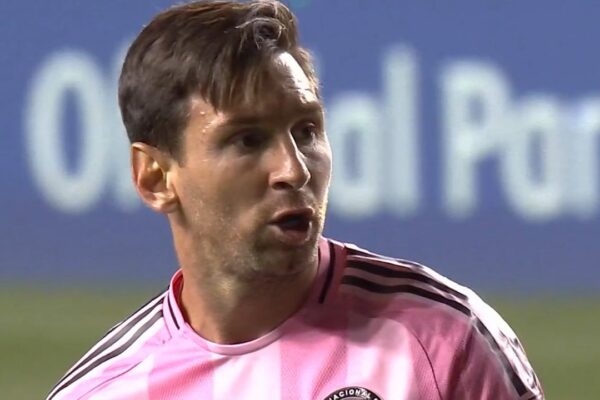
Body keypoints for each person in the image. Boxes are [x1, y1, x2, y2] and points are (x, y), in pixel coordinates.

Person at [46, 1, 544, 399]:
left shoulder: (446, 341)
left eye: (306, 131)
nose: (294, 169)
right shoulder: (103, 390)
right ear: (155, 177)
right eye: (247, 140)